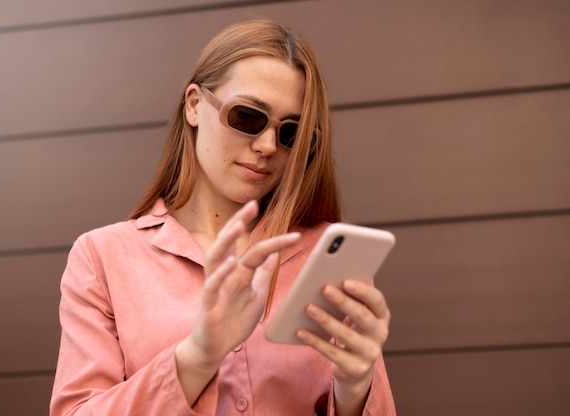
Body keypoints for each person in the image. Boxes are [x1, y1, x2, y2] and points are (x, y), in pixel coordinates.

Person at [50, 19, 396, 415]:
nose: (267, 146)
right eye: (247, 117)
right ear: (195, 105)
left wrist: (355, 389)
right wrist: (197, 355)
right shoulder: (103, 258)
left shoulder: (328, 256)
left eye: (290, 134)